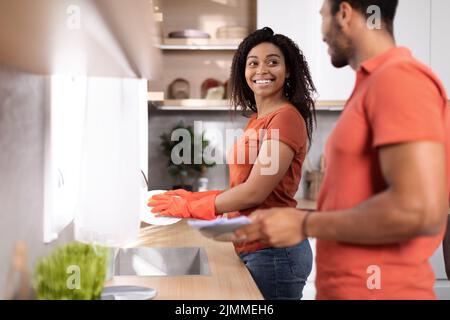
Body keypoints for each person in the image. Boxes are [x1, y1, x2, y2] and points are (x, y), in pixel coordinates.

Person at [235, 0, 450, 300]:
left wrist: (305, 223)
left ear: (345, 13)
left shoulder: (398, 79)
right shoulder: (371, 85)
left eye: (323, 15)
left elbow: (417, 210)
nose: (322, 32)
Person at [148, 27, 317, 300]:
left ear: (288, 71)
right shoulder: (258, 120)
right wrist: (192, 199)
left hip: (275, 251)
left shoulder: (285, 118)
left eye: (273, 62)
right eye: (253, 63)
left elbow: (255, 192)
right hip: (256, 246)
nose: (262, 69)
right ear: (243, 71)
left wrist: (192, 205)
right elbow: (243, 186)